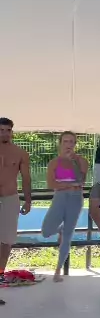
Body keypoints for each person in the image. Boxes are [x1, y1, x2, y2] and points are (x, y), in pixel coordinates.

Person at [42, 132, 89, 282]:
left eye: (71, 142)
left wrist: (73, 163)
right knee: (46, 231)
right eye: (65, 141)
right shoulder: (54, 162)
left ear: (75, 144)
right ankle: (59, 229)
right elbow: (51, 184)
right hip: (60, 198)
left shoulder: (81, 161)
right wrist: (68, 185)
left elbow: (81, 181)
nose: (68, 145)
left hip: (76, 198)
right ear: (60, 143)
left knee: (68, 235)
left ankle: (58, 271)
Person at [0, 117, 31, 279]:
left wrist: (28, 200)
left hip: (10, 197)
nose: (5, 134)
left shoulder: (20, 153)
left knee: (7, 239)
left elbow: (26, 178)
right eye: (1, 130)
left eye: (8, 130)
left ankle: (0, 272)